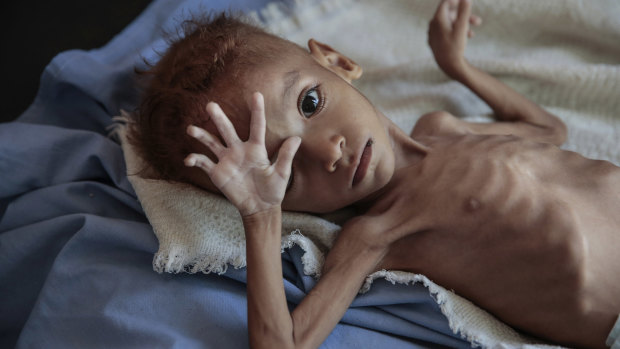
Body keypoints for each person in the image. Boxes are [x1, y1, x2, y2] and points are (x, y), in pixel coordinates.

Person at [129, 0, 620, 347]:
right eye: (287, 169)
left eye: (310, 103)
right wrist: (261, 213)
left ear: (338, 63)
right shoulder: (377, 233)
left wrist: (459, 67)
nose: (329, 152)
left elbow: (547, 129)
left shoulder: (443, 128)